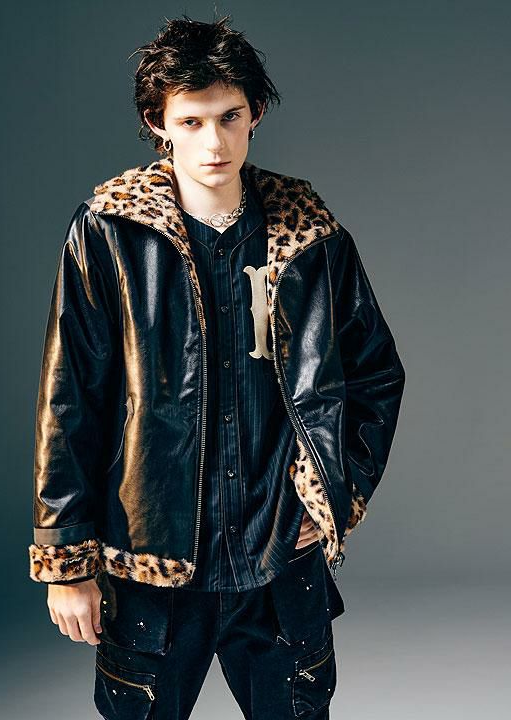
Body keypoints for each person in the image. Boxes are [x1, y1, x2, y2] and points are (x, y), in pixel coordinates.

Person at [28, 14, 405, 720]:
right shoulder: (107, 233)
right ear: (158, 123)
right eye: (191, 121)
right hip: (152, 562)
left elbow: (377, 374)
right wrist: (66, 565)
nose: (215, 142)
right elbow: (69, 399)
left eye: (230, 117)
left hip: (277, 562)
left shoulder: (310, 235)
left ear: (254, 114)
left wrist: (330, 493)